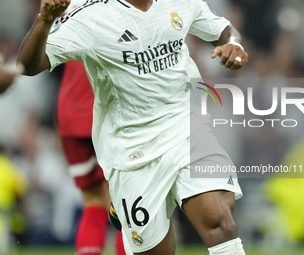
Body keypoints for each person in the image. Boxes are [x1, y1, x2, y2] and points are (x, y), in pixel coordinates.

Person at [17, 0, 249, 254]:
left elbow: (223, 29)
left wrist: (234, 44)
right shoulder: (89, 14)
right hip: (133, 152)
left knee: (220, 223)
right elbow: (28, 65)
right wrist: (45, 20)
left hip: (187, 129)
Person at [56, 1, 128, 254]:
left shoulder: (69, 7)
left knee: (94, 202)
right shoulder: (123, 9)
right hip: (109, 114)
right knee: (128, 202)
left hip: (70, 114)